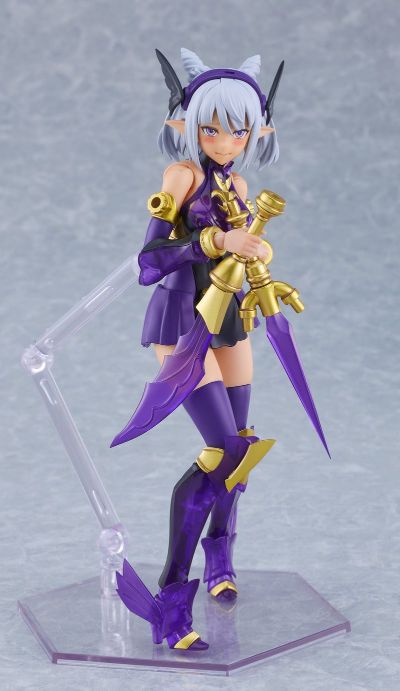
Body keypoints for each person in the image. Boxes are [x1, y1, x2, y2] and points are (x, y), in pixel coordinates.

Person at [115, 48, 283, 651]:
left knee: (241, 453)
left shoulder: (238, 182)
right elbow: (148, 263)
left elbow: (235, 251)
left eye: (238, 130)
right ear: (188, 125)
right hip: (182, 319)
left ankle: (220, 558)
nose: (225, 141)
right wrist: (214, 240)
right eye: (212, 129)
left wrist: (255, 255)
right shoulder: (181, 177)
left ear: (255, 131)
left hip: (229, 317)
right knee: (223, 451)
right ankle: (169, 597)